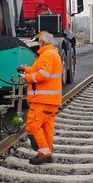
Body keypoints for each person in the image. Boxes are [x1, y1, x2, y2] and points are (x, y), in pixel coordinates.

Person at [20, 31, 63, 165]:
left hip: (42, 100)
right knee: (46, 128)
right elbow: (39, 69)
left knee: (32, 126)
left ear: (42, 42)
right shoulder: (52, 53)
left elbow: (43, 75)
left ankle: (43, 154)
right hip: (50, 101)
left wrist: (27, 78)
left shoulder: (47, 55)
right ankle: (47, 152)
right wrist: (26, 69)